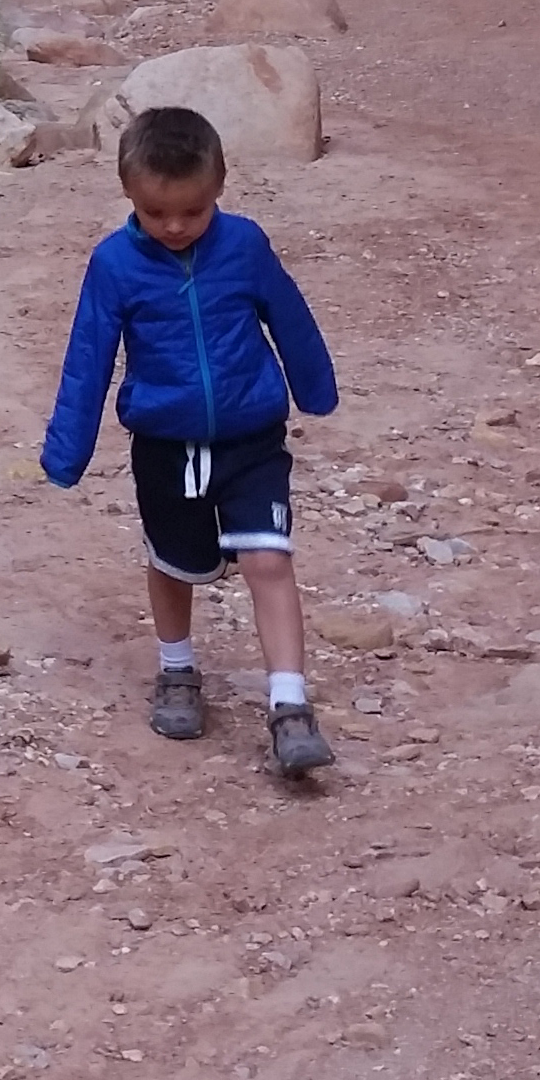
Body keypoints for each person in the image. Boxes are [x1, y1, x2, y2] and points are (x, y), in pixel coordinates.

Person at [39, 102, 340, 780]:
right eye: (156, 213)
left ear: (220, 188)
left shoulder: (245, 246)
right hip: (165, 444)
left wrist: (314, 388)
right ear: (128, 194)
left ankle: (289, 706)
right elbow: (90, 356)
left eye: (192, 212)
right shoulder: (114, 265)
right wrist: (68, 449)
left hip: (250, 436)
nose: (175, 227)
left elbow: (289, 315)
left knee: (268, 559)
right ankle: (178, 670)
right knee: (177, 563)